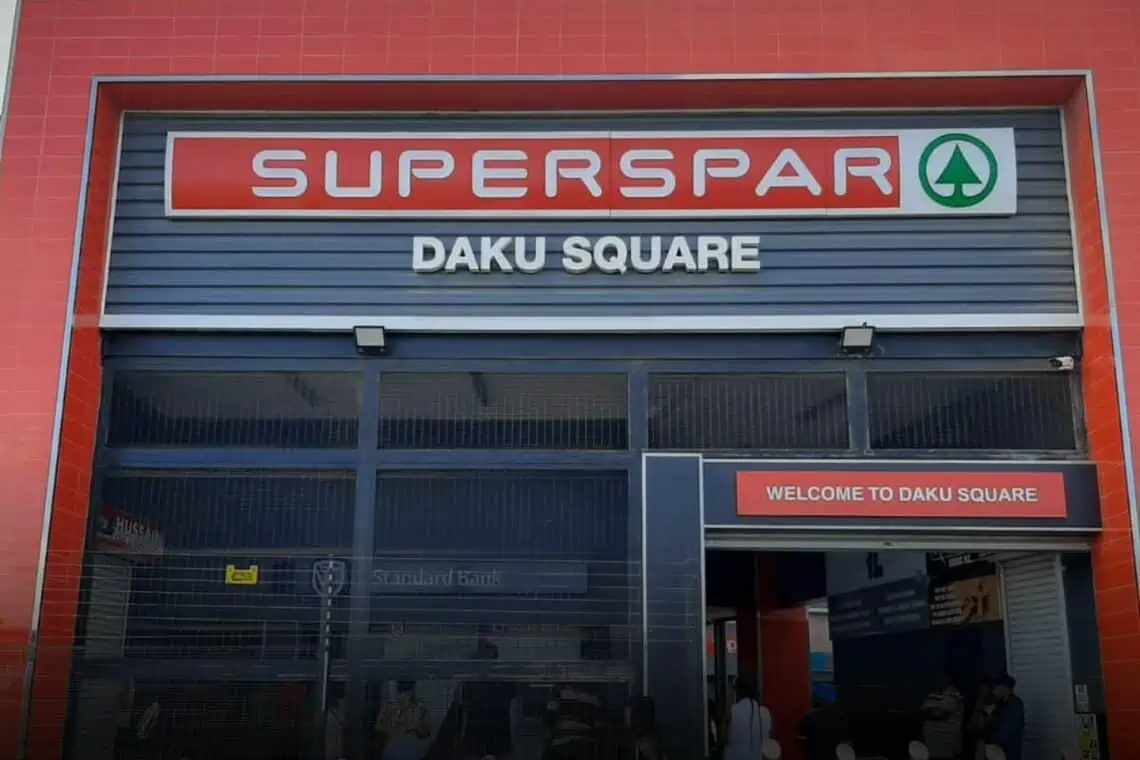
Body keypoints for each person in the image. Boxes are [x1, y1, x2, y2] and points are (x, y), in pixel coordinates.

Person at [542, 683, 607, 760]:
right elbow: (549, 722)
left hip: (582, 743)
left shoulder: (595, 699)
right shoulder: (558, 695)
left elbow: (600, 726)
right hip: (564, 742)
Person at [374, 680, 432, 760]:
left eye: (408, 691)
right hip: (393, 748)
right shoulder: (389, 707)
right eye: (402, 691)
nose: (405, 695)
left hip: (412, 749)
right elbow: (380, 733)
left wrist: (415, 724)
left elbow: (426, 733)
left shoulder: (420, 708)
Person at [721, 676, 771, 760]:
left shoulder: (732, 711)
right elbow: (768, 739)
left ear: (738, 691)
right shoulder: (766, 712)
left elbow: (722, 739)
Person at [920, 672, 964, 760]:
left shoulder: (954, 694)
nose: (937, 679)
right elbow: (924, 712)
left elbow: (941, 714)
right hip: (929, 745)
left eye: (940, 676)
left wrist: (927, 712)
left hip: (946, 746)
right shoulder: (931, 694)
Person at [979, 674, 1024, 760]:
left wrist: (987, 740)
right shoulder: (1000, 704)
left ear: (1004, 688)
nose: (993, 690)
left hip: (1009, 752)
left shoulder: (1014, 704)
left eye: (996, 687)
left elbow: (1005, 731)